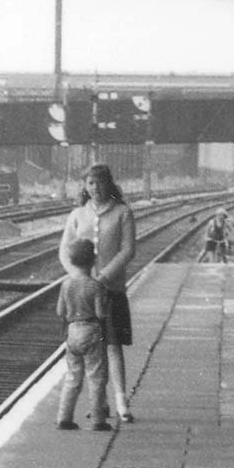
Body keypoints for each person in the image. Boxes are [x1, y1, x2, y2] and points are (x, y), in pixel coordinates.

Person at [60, 164, 136, 423]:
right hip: (84, 293)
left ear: (109, 184)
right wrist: (79, 278)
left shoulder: (123, 213)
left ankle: (121, 401)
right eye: (90, 183)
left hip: (111, 290)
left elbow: (127, 251)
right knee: (94, 350)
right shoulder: (77, 215)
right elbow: (64, 251)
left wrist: (103, 278)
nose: (95, 188)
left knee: (113, 346)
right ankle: (99, 404)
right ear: (85, 186)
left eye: (100, 182)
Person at [56, 238, 111, 431]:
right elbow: (100, 314)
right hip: (91, 331)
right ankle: (98, 420)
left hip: (72, 333)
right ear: (93, 261)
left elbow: (60, 312)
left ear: (71, 261)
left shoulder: (65, 284)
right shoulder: (95, 286)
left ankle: (64, 417)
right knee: (96, 376)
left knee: (72, 377)